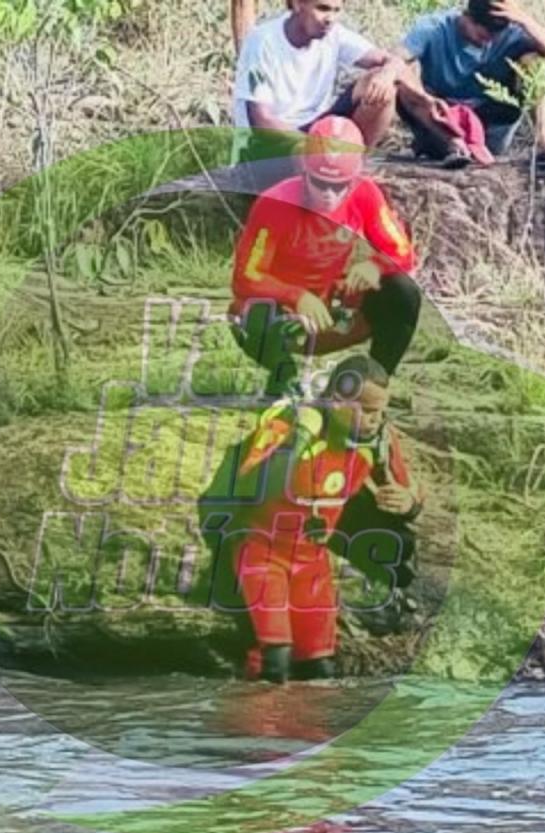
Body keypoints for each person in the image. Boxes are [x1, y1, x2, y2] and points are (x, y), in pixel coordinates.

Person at [199, 355, 421, 682]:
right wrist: (298, 440)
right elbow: (248, 482)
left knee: (320, 670)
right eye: (368, 411)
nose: (376, 420)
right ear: (337, 401)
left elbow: (412, 491)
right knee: (275, 661)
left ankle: (306, 730)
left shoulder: (379, 439)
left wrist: (409, 503)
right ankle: (254, 726)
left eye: (380, 411)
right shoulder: (290, 424)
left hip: (311, 560)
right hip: (263, 551)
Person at [230, 115, 421, 399]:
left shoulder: (366, 194)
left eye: (339, 185)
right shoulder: (274, 203)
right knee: (251, 314)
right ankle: (284, 381)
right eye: (320, 183)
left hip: (332, 309)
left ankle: (375, 384)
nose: (329, 194)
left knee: (404, 292)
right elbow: (245, 277)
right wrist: (295, 296)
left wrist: (376, 266)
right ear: (303, 171)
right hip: (284, 315)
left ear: (354, 178)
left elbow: (403, 252)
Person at [392, 0, 545, 169]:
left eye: (496, 34)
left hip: (491, 120)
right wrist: (422, 97)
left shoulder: (512, 32)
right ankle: (453, 144)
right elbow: (396, 58)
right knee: (403, 79)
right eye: (483, 33)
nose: (489, 39)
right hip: (442, 119)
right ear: (466, 17)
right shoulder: (434, 27)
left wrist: (525, 20)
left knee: (536, 63)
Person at [231, 0, 404, 171]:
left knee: (381, 86)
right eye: (323, 8)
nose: (330, 18)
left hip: (316, 131)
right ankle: (325, 168)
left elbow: (393, 62)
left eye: (337, 11)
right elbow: (262, 121)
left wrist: (387, 74)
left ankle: (353, 167)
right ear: (298, 4)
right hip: (267, 146)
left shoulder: (334, 34)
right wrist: (314, 146)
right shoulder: (262, 41)